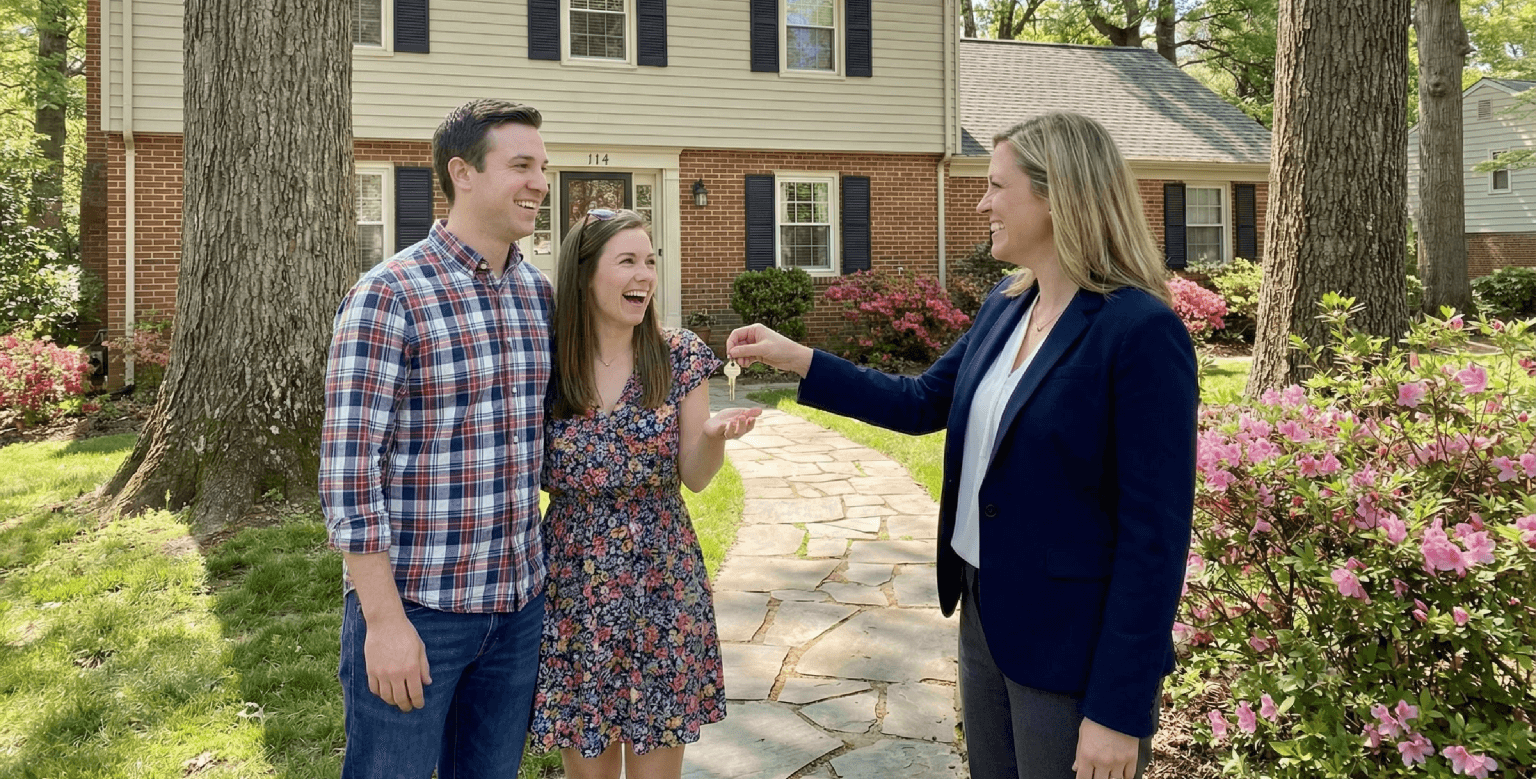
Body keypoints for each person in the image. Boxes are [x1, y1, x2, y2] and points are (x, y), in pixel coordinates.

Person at [727, 111, 1198, 779]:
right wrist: (796, 357)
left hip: (1071, 646)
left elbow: (1156, 537)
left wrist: (1120, 710)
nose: (981, 203)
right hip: (986, 614)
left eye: (997, 186)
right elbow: (921, 403)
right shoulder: (1007, 307)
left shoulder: (1139, 332)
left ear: (1056, 194)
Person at [320, 99, 554, 779]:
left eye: (543, 166)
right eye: (521, 165)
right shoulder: (390, 294)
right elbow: (347, 473)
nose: (540, 181)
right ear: (463, 173)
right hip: (420, 612)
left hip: (516, 612)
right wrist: (385, 623)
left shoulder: (536, 297)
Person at [532, 208, 760, 779]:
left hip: (660, 575)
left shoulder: (677, 354)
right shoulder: (547, 361)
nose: (645, 275)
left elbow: (697, 476)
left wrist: (712, 438)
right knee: (588, 766)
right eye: (628, 261)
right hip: (573, 579)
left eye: (651, 261)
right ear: (585, 274)